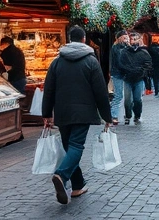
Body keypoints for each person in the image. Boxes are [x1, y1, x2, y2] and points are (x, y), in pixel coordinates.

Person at [39, 26, 111, 204]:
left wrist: (46, 113)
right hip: (83, 111)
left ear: (69, 39)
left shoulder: (57, 62)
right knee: (76, 146)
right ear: (84, 39)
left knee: (69, 147)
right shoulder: (91, 61)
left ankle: (78, 185)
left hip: (62, 111)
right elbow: (100, 91)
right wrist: (107, 116)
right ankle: (62, 175)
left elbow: (49, 89)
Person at [119, 32, 152, 125]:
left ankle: (137, 115)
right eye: (131, 39)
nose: (133, 41)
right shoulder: (124, 52)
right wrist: (127, 71)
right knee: (127, 100)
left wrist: (141, 71)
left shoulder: (144, 52)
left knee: (137, 99)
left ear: (139, 40)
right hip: (127, 79)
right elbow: (121, 64)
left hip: (139, 79)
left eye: (135, 39)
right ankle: (128, 116)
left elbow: (148, 64)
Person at [109, 30, 128, 125]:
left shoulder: (123, 47)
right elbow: (120, 62)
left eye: (127, 37)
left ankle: (115, 114)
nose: (126, 39)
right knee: (119, 95)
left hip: (123, 73)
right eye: (124, 38)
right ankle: (113, 115)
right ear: (120, 38)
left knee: (124, 95)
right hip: (118, 73)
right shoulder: (117, 48)